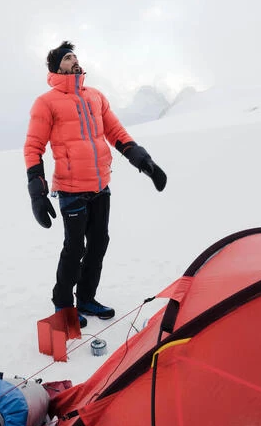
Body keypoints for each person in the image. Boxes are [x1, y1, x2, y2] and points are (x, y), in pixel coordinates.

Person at [24, 41, 167, 328]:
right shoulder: (46, 102)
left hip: (101, 185)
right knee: (74, 248)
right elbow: (33, 146)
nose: (73, 60)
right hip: (70, 188)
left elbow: (115, 132)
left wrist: (144, 161)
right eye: (67, 57)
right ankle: (63, 306)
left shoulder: (96, 97)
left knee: (99, 243)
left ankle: (86, 298)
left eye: (75, 55)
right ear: (56, 67)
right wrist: (37, 193)